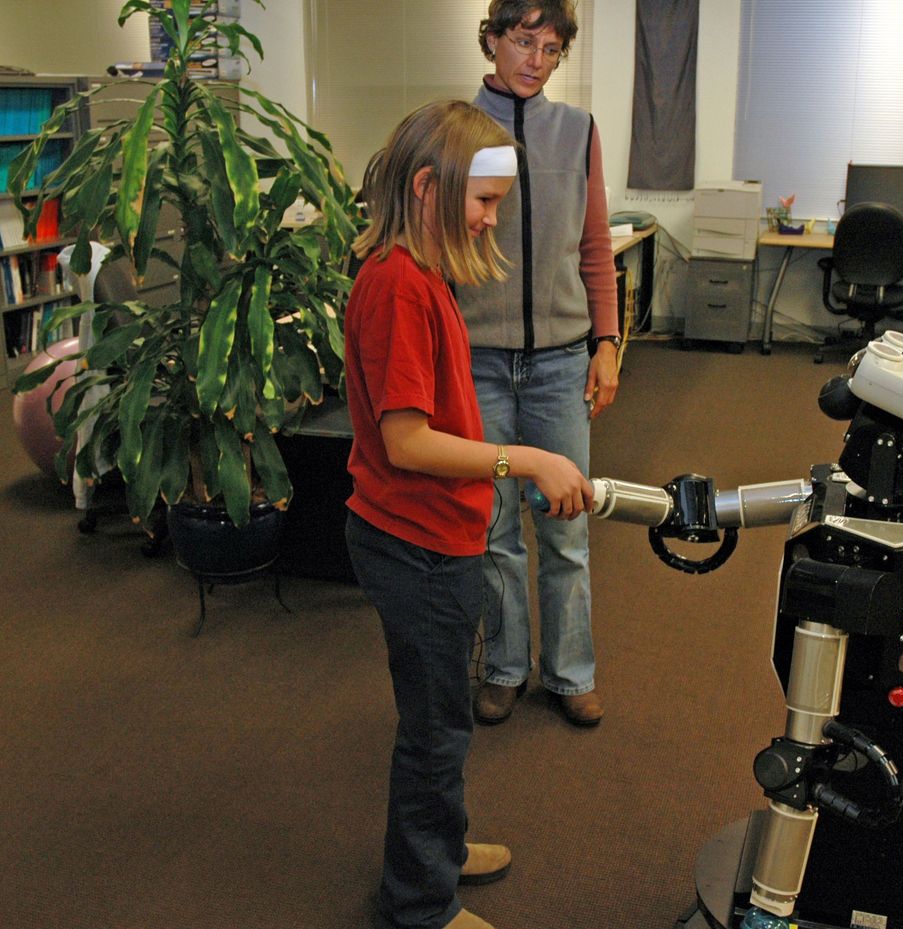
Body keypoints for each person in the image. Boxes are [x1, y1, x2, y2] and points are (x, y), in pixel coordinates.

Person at [342, 99, 594, 929]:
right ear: (428, 188)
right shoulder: (396, 288)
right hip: (411, 544)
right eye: (484, 203)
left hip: (435, 540)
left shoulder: (423, 277)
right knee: (436, 732)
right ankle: (419, 904)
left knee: (445, 717)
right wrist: (523, 459)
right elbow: (407, 441)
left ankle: (437, 853)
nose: (493, 222)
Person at [458, 0, 620, 729]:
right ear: (492, 39)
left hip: (559, 362)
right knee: (491, 527)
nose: (536, 59)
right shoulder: (455, 131)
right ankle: (504, 665)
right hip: (478, 363)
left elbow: (594, 251)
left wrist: (607, 342)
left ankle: (570, 670)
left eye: (552, 48)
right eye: (524, 41)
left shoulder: (576, 131)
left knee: (566, 524)